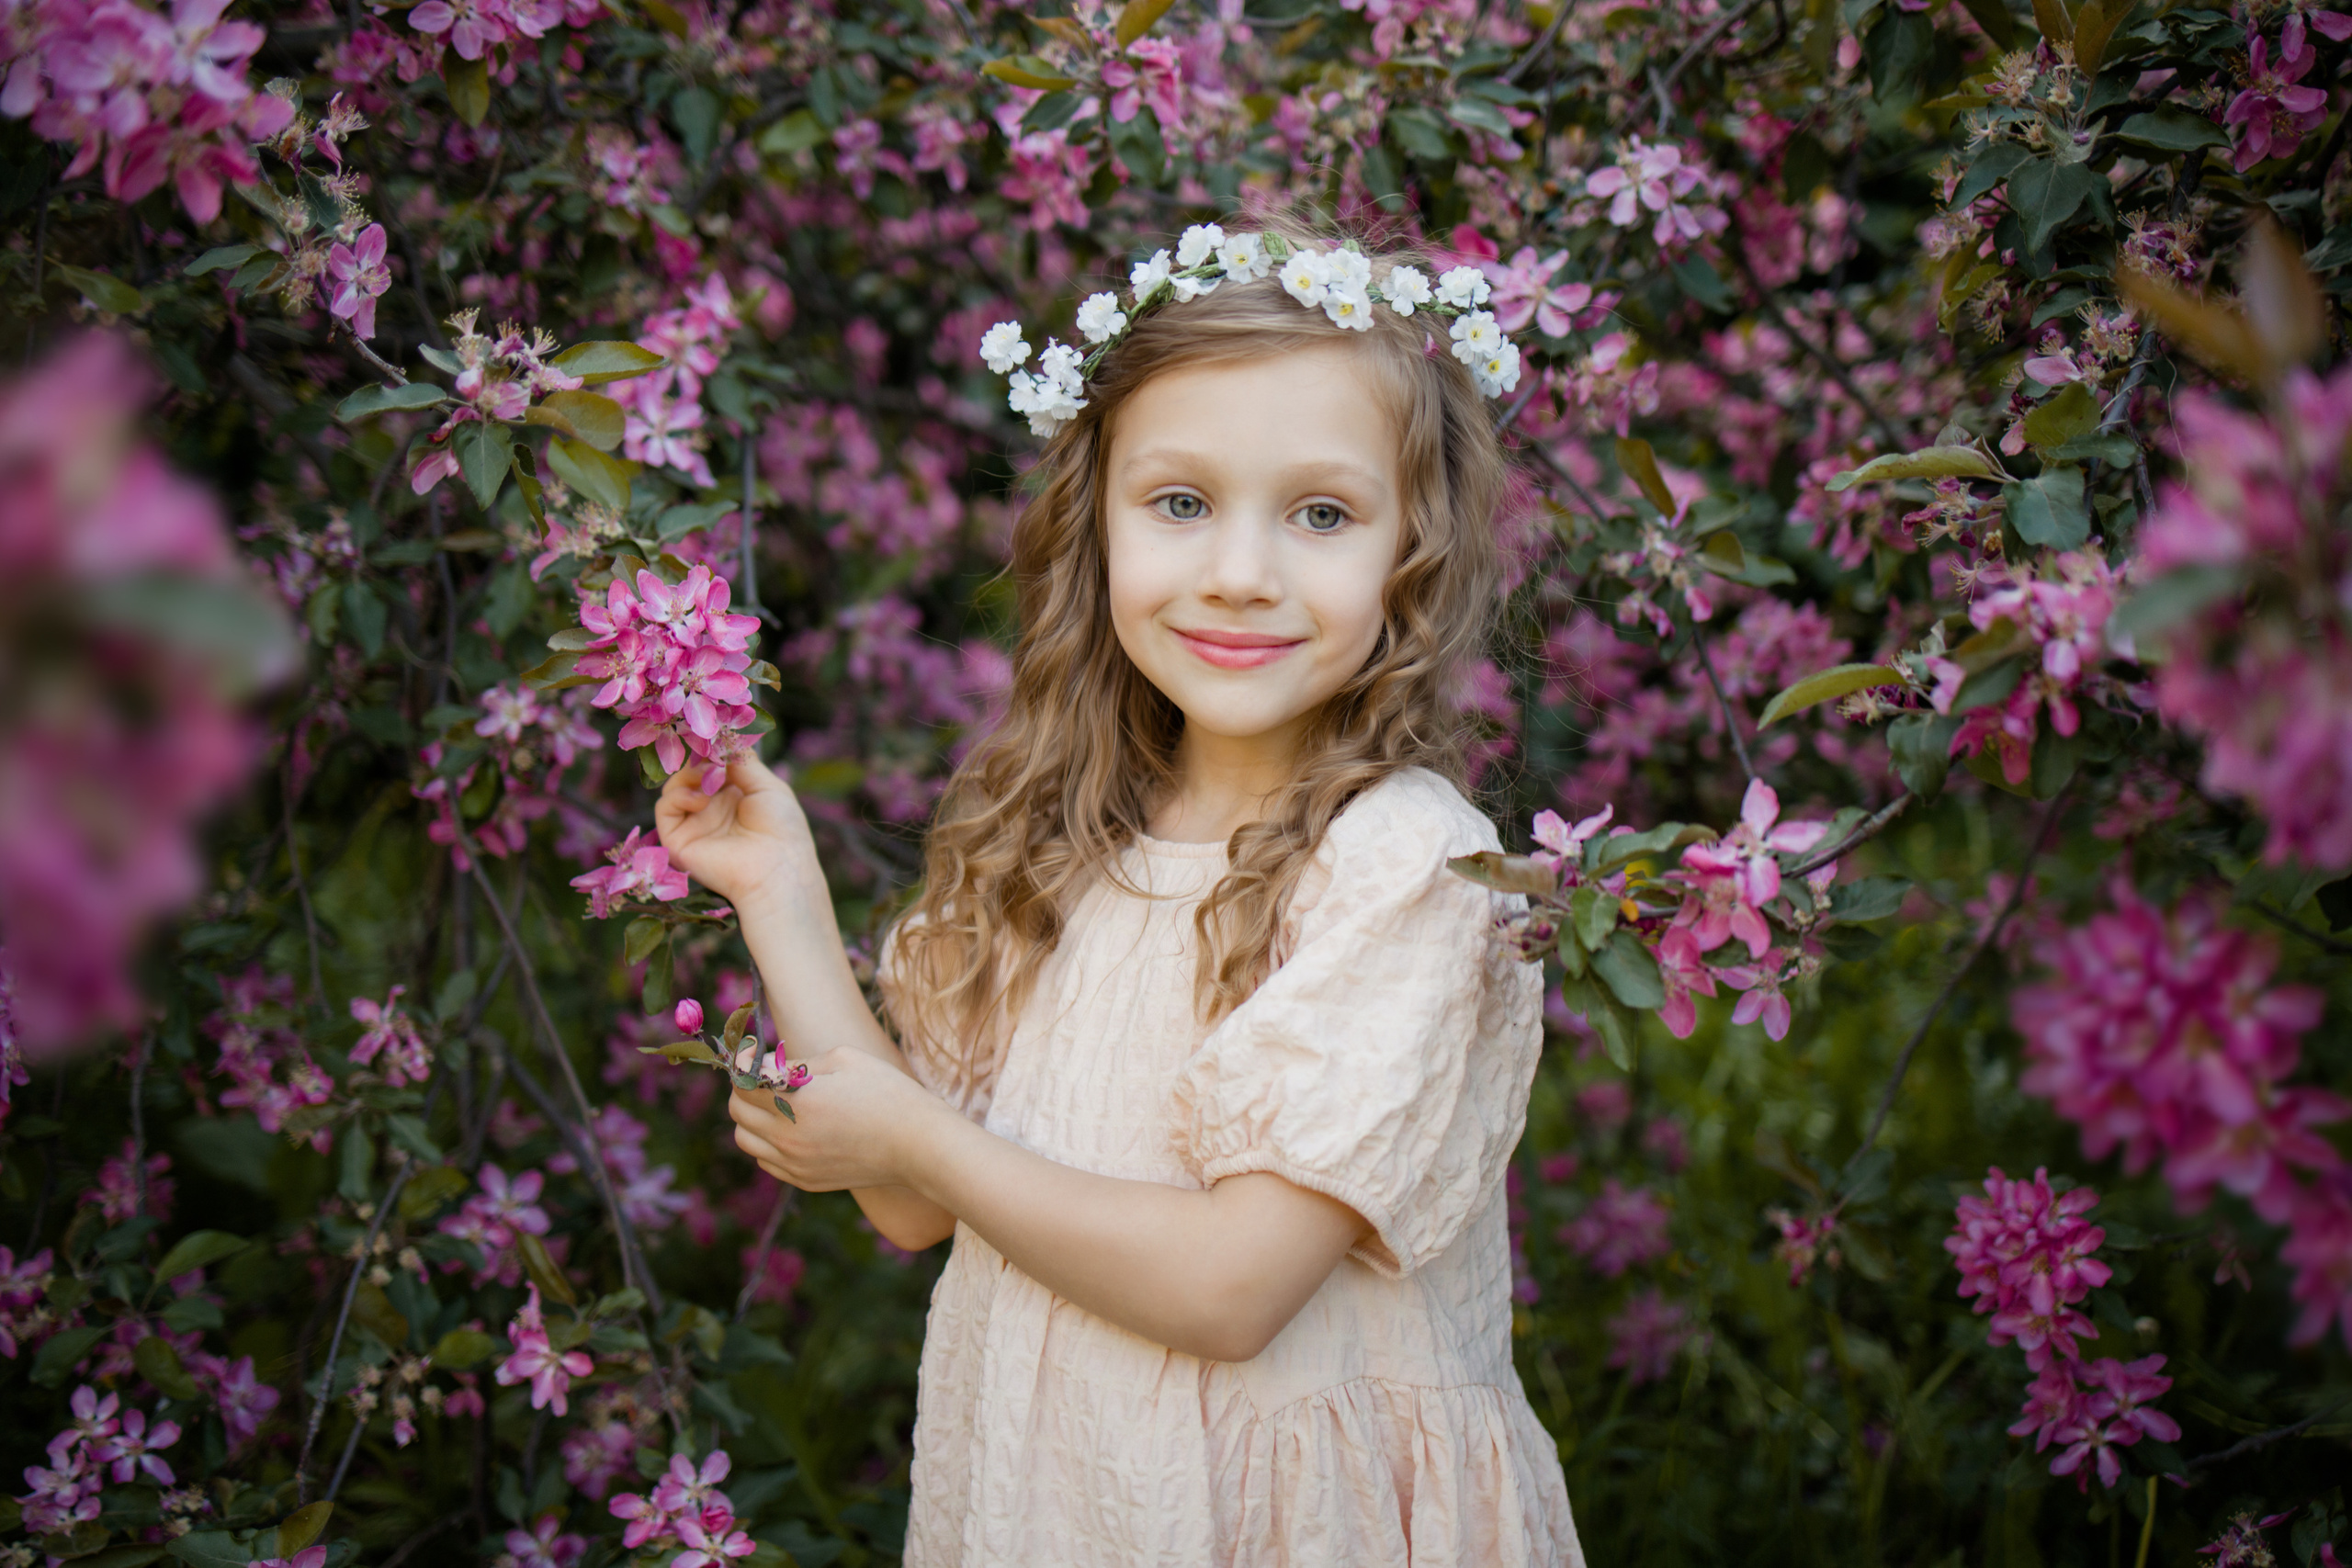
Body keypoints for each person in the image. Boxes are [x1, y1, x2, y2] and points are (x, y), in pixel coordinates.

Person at [655, 225, 1583, 1566]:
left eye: (1322, 515)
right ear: (1096, 524)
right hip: (1058, 1505)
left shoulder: (1404, 864)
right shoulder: (1063, 837)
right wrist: (778, 891)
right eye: (1181, 503)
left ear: (1414, 551)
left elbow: (1230, 1290)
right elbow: (911, 1198)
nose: (1241, 574)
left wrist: (914, 1143)